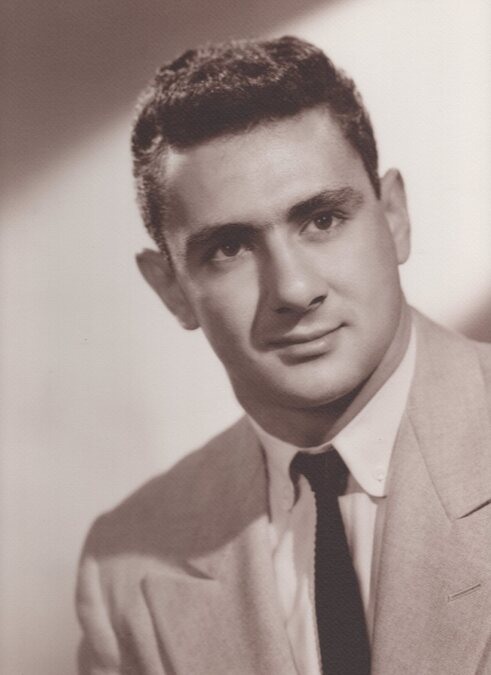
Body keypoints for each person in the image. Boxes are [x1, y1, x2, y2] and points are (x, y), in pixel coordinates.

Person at [76, 36, 491, 675]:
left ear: (394, 217)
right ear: (171, 290)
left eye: (322, 220)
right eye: (229, 248)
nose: (294, 290)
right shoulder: (127, 566)